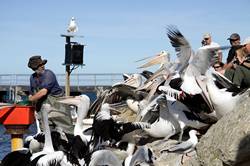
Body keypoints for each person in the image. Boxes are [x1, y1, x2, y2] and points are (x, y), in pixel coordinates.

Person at [27, 55, 74, 134]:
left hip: (58, 107)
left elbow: (43, 92)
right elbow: (32, 93)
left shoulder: (49, 74)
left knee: (67, 132)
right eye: (40, 65)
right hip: (43, 109)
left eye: (43, 64)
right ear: (34, 68)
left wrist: (30, 99)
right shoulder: (32, 78)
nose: (43, 66)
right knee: (46, 133)